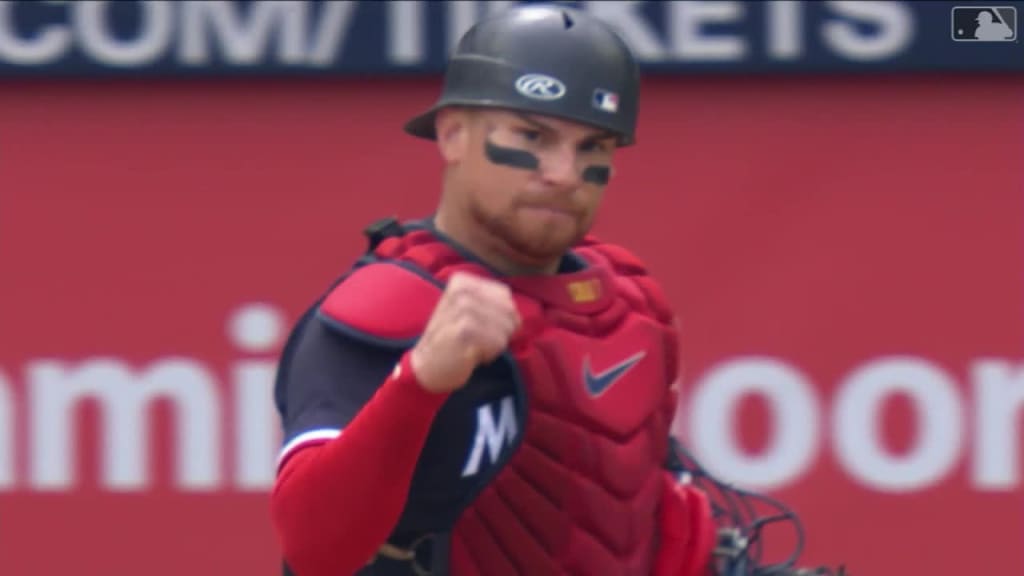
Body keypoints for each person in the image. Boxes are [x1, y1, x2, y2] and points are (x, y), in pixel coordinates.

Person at [270, 5, 833, 576]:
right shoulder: (389, 309)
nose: (564, 172)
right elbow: (316, 550)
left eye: (593, 148)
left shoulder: (626, 305)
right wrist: (419, 382)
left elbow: (610, 513)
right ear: (453, 134)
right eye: (532, 136)